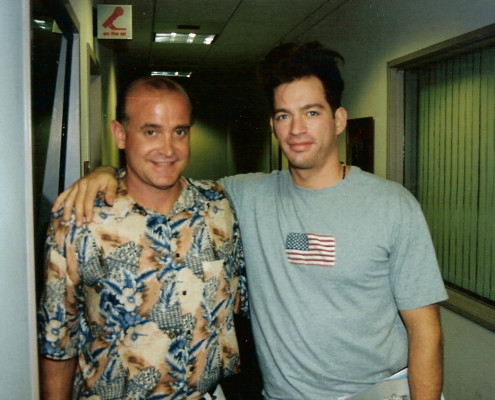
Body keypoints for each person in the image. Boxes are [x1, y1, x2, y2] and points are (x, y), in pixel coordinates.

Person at [53, 42, 447, 400]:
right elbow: (163, 180)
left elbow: (425, 329)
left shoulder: (393, 206)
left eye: (311, 112)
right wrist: (104, 172)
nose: (297, 129)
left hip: (378, 391)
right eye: (283, 115)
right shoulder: (241, 197)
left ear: (339, 119)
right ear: (273, 124)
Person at [37, 76, 248, 400]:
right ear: (121, 135)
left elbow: (234, 305)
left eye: (179, 131)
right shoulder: (79, 221)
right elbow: (57, 341)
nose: (168, 149)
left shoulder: (217, 205)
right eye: (151, 131)